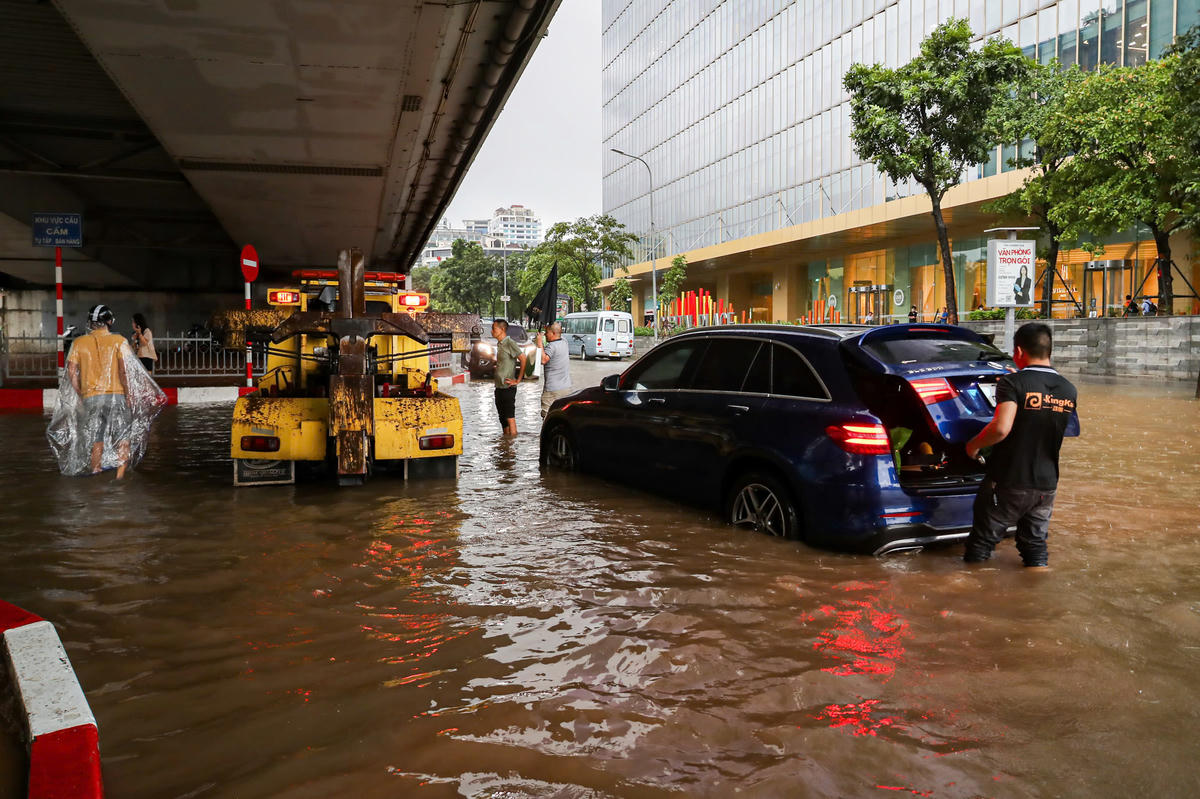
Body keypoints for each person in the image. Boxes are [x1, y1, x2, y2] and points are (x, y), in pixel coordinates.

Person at [963, 323, 1078, 568]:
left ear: (1018, 351)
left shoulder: (1013, 383)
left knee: (981, 544)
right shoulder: (1069, 389)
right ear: (1049, 351)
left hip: (1010, 480)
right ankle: (1036, 590)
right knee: (1035, 546)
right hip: (1047, 486)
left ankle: (973, 594)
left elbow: (1001, 428)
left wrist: (973, 446)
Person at [67, 305, 133, 478]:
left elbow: (71, 372)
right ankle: (120, 478)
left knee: (97, 437)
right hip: (116, 396)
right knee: (123, 437)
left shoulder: (78, 342)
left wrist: (80, 393)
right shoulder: (119, 341)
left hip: (91, 398)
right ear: (110, 321)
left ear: (90, 322)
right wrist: (128, 393)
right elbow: (123, 371)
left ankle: (96, 471)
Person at [492, 319, 527, 436]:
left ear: (502, 329)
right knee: (502, 419)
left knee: (510, 418)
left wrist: (518, 380)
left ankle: (512, 449)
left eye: (494, 329)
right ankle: (506, 446)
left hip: (508, 387)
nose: (492, 331)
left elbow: (523, 358)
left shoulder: (509, 343)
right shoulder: (500, 344)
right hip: (499, 386)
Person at [537, 322, 573, 418]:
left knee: (547, 417)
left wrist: (539, 343)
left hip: (552, 390)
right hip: (566, 388)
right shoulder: (564, 342)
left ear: (553, 333)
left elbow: (543, 360)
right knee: (563, 416)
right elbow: (558, 331)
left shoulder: (551, 346)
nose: (545, 335)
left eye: (547, 333)